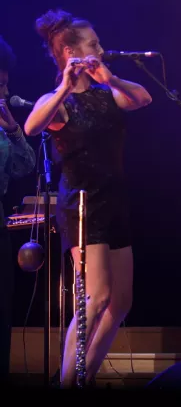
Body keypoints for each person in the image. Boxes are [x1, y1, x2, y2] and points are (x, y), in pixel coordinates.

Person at [24, 9, 153, 387]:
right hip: (82, 207)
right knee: (96, 297)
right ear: (70, 52)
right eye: (93, 44)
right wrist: (65, 85)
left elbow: (143, 98)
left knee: (121, 301)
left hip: (114, 200)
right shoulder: (58, 101)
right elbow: (33, 126)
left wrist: (109, 76)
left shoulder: (105, 94)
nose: (101, 47)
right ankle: (66, 383)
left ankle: (84, 377)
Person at [0, 35, 36, 386]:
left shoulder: (3, 125)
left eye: (5, 82)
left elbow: (26, 166)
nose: (3, 88)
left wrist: (12, 129)